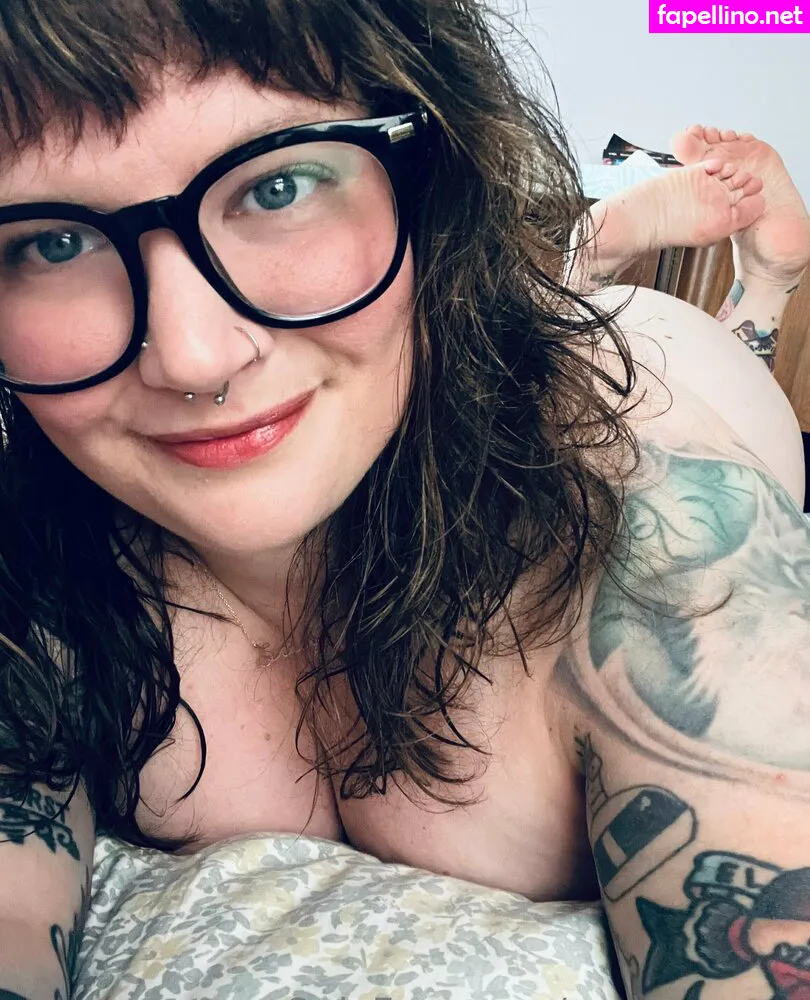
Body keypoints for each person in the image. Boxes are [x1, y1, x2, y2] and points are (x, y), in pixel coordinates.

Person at [0, 3, 807, 999]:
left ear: (436, 182)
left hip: (669, 367)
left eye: (278, 185)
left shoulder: (659, 535)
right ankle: (580, 258)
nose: (196, 358)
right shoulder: (42, 567)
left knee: (632, 343)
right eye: (49, 245)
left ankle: (752, 286)